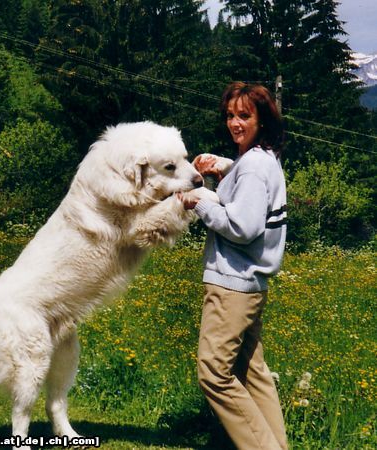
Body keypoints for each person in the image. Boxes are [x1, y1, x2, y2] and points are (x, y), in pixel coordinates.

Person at [180, 82, 288, 449]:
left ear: (262, 119)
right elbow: (248, 184)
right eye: (230, 115)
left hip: (233, 284)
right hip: (251, 283)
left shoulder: (254, 166)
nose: (235, 123)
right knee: (252, 373)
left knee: (213, 373)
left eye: (244, 115)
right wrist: (224, 166)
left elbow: (243, 227)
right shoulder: (261, 158)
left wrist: (200, 200)